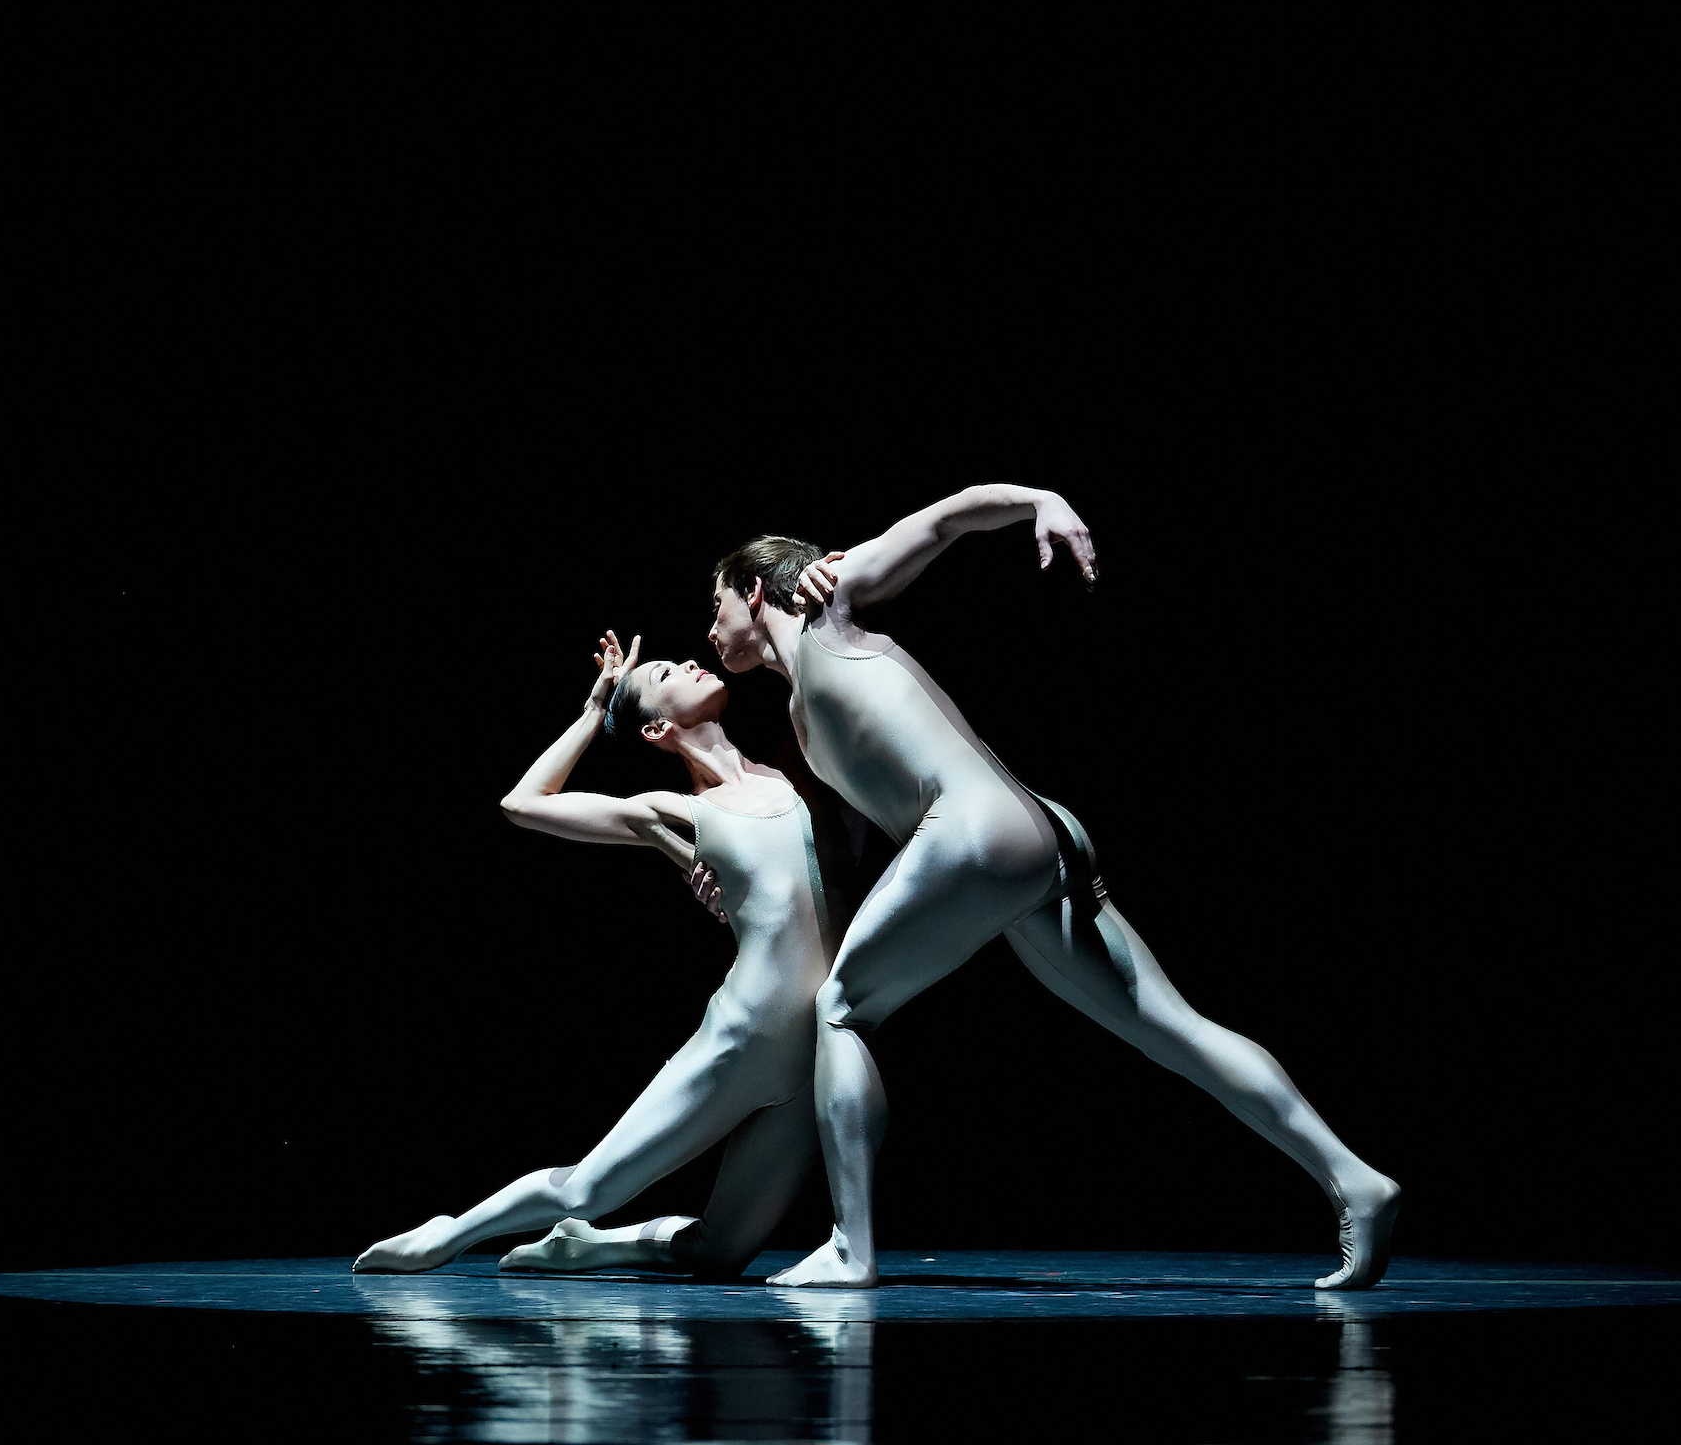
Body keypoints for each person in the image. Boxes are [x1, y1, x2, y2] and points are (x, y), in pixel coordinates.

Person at [705, 487, 1402, 1290]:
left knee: (840, 1007)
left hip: (974, 831)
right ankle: (1353, 1178)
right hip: (1034, 832)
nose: (709, 625)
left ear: (754, 590)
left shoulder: (830, 601)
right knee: (1172, 1028)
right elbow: (839, 851)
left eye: (714, 602)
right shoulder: (800, 710)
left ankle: (851, 1248)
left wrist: (1040, 500)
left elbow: (942, 519)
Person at [353, 632, 848, 1276]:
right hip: (744, 1037)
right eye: (668, 670)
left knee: (722, 1251)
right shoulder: (671, 811)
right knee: (588, 1189)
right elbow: (523, 804)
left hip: (815, 1051)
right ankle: (449, 1235)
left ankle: (585, 1246)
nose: (693, 663)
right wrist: (595, 712)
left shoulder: (791, 767)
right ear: (657, 729)